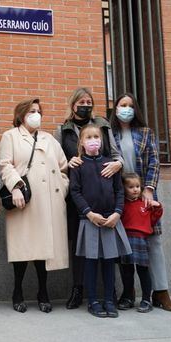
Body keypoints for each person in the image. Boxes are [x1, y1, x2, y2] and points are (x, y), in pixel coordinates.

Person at [110, 92, 171, 313]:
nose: (126, 109)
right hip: (120, 197)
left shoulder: (146, 133)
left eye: (130, 105)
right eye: (122, 105)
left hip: (144, 194)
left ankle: (161, 293)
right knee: (124, 246)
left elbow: (154, 163)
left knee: (154, 243)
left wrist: (149, 189)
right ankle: (128, 294)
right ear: (115, 108)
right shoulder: (109, 134)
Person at [53, 87, 123, 310]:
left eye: (89, 101)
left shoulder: (102, 124)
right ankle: (78, 289)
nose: (86, 104)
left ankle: (109, 293)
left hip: (104, 187)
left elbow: (114, 151)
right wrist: (67, 163)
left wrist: (118, 163)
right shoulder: (62, 130)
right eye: (81, 101)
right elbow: (56, 159)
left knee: (108, 248)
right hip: (78, 196)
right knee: (80, 244)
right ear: (73, 104)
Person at [0, 98, 69, 313]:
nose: (36, 114)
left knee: (42, 251)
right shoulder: (10, 136)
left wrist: (61, 188)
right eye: (31, 111)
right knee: (23, 249)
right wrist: (16, 187)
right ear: (21, 115)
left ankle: (43, 292)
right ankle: (17, 291)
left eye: (38, 111)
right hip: (24, 201)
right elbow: (4, 165)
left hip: (48, 202)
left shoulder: (49, 139)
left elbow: (63, 168)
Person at [69, 124, 131, 318]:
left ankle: (109, 300)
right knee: (91, 262)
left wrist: (117, 213)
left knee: (109, 261)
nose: (93, 140)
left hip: (110, 220)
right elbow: (75, 192)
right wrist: (88, 213)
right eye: (89, 137)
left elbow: (120, 191)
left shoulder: (109, 164)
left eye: (96, 136)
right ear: (81, 142)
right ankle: (93, 300)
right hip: (90, 220)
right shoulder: (79, 166)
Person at [118, 173, 163, 313]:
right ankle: (128, 297)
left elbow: (154, 218)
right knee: (126, 271)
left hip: (141, 241)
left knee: (143, 271)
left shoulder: (145, 203)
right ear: (124, 188)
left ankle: (145, 299)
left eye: (137, 186)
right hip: (125, 239)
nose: (135, 189)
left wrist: (157, 205)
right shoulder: (122, 205)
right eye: (131, 187)